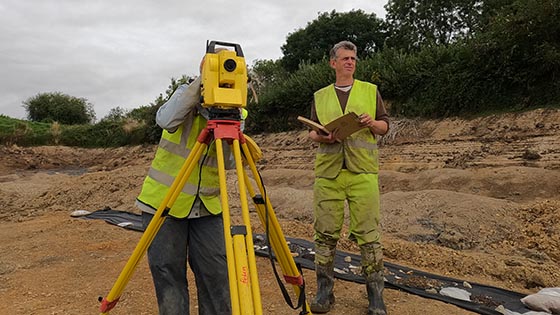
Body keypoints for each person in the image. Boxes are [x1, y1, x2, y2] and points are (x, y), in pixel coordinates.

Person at [135, 53, 236, 315]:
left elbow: (232, 157)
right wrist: (198, 88)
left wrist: (227, 110)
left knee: (217, 273)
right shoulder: (184, 95)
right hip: (164, 204)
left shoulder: (237, 106)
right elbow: (166, 120)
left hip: (208, 206)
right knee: (168, 273)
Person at [307, 40, 390, 315]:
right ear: (333, 63)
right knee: (324, 235)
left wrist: (371, 123)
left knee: (369, 235)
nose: (350, 62)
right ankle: (324, 293)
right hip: (329, 173)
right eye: (345, 58)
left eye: (353, 58)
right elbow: (312, 133)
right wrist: (324, 136)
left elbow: (384, 126)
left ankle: (376, 298)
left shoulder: (370, 91)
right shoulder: (320, 96)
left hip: (362, 172)